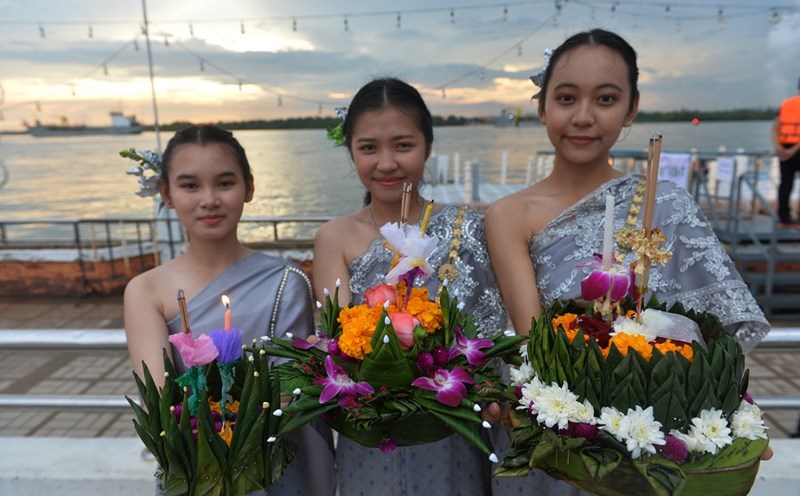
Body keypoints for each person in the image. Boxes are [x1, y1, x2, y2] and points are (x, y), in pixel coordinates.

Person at [485, 29, 771, 495]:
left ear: (631, 109)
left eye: (605, 98)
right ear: (542, 108)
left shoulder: (665, 203)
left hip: (658, 438)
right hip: (562, 437)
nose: (582, 117)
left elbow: (714, 334)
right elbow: (531, 342)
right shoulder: (509, 216)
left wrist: (737, 415)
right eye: (565, 97)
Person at [313, 77, 509, 496]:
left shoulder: (468, 228)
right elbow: (340, 341)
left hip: (452, 424)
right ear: (351, 152)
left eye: (403, 145)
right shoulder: (335, 236)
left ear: (427, 146)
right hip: (371, 429)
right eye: (369, 148)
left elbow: (489, 331)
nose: (386, 163)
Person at [123, 125, 335, 496]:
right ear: (166, 193)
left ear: (248, 187)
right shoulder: (146, 291)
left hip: (277, 465)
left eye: (224, 183)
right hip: (198, 468)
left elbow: (295, 393)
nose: (209, 199)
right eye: (190, 186)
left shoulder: (286, 280)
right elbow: (161, 404)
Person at [772, 77, 800, 227]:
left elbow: (775, 128)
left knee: (785, 183)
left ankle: (783, 218)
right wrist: (793, 150)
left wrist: (780, 148)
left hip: (784, 147)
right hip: (797, 149)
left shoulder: (787, 104)